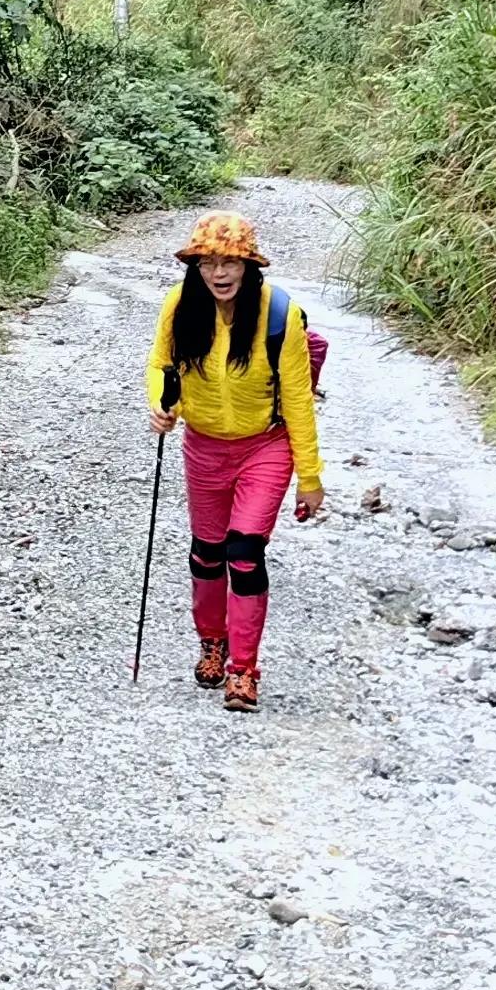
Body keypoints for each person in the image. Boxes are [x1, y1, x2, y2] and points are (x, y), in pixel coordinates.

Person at [149, 209, 325, 713]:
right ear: (195, 268)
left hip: (265, 447)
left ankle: (244, 671)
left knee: (244, 552)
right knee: (206, 552)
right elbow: (162, 366)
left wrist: (309, 477)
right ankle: (212, 641)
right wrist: (163, 407)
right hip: (204, 446)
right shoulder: (181, 305)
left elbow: (297, 399)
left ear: (250, 267)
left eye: (231, 262)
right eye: (208, 263)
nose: (219, 273)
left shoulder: (278, 315)